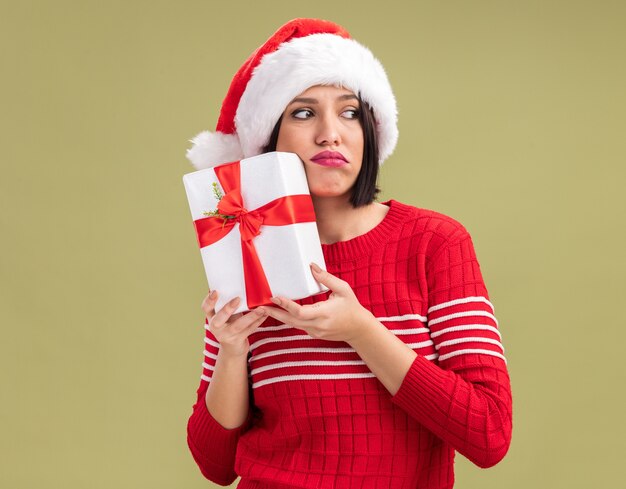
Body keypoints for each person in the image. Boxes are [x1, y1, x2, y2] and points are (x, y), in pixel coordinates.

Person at [185, 18, 513, 489]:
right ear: (268, 140)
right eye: (302, 113)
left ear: (372, 131)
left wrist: (361, 330)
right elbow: (215, 465)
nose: (329, 134)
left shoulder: (435, 244)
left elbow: (489, 434)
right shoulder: (245, 246)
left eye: (350, 112)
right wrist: (232, 351)